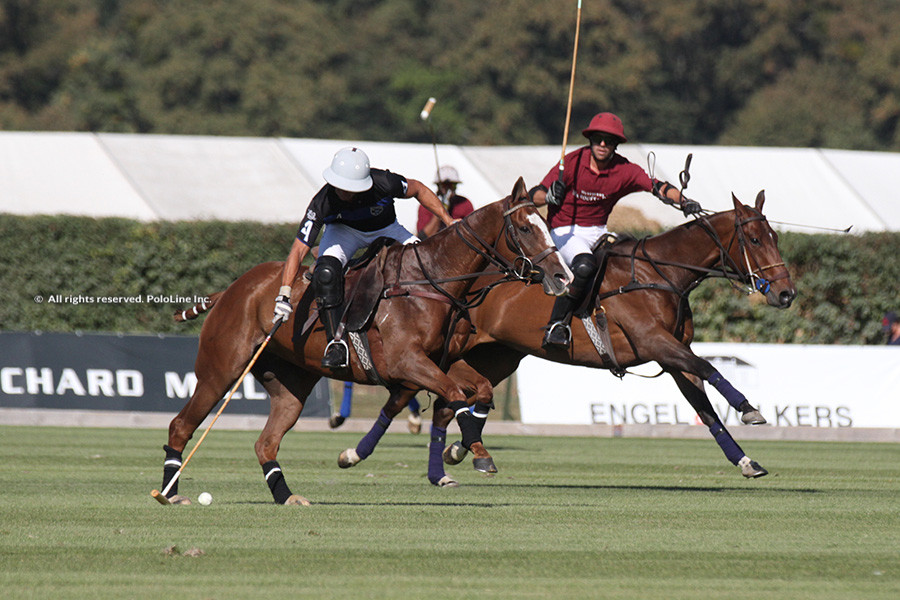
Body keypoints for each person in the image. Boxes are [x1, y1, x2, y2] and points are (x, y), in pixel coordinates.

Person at [530, 112, 703, 348]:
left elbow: (657, 186)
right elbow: (534, 195)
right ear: (590, 140)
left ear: (616, 145)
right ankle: (557, 325)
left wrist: (684, 201)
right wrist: (548, 196)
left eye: (609, 141)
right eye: (598, 139)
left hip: (598, 231)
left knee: (624, 262)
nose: (603, 144)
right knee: (584, 265)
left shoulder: (624, 170)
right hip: (564, 231)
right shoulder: (570, 163)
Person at [274, 147, 456, 368]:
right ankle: (336, 344)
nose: (345, 194)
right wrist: (284, 294)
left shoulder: (384, 182)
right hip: (344, 233)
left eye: (351, 189)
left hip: (387, 228)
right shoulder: (322, 202)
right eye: (340, 188)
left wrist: (448, 221)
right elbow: (298, 249)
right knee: (326, 272)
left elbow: (418, 189)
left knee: (425, 263)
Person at [416, 165, 475, 238]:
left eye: (452, 185)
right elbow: (424, 237)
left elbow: (472, 232)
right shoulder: (426, 204)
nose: (448, 189)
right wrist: (440, 209)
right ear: (438, 187)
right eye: (445, 186)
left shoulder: (464, 203)